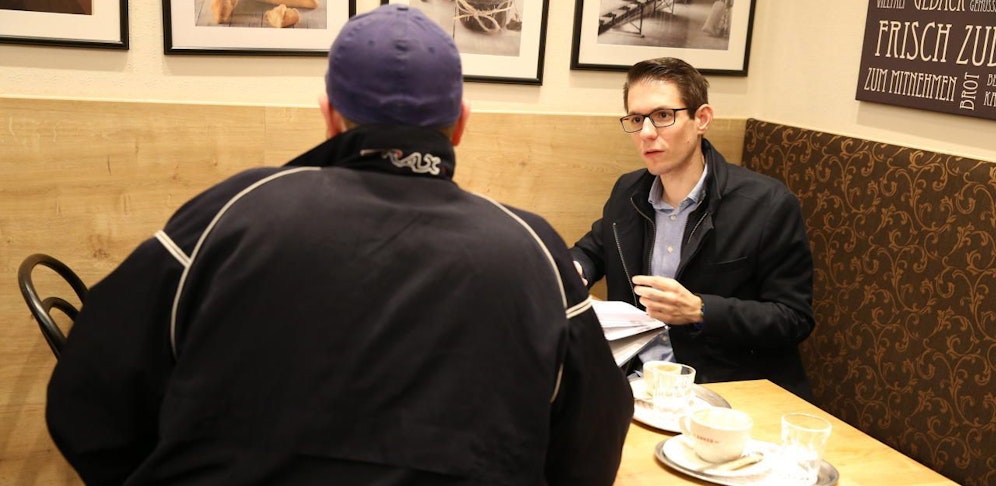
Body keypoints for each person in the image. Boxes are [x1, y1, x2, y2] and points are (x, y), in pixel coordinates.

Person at [45, 5, 633, 484]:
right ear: (460, 123)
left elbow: (87, 400)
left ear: (329, 116)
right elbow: (592, 447)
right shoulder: (535, 251)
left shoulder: (231, 214)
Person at [570, 57, 815, 400]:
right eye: (637, 119)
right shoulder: (628, 191)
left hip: (722, 392)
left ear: (702, 119)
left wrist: (701, 310)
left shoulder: (766, 203)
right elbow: (594, 248)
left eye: (663, 116)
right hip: (635, 386)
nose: (646, 133)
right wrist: (575, 268)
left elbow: (793, 319)